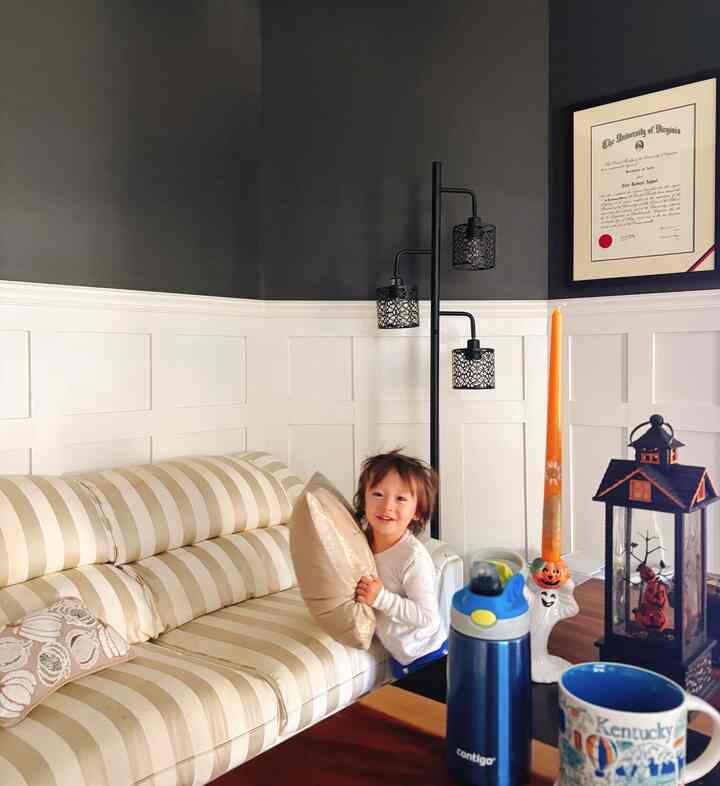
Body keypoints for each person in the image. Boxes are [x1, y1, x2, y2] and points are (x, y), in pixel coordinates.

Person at [353, 450, 447, 677]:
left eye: (401, 498)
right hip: (400, 657)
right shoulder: (362, 541)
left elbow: (427, 617)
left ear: (417, 512)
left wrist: (380, 598)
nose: (387, 506)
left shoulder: (412, 557)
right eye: (377, 494)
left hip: (429, 656)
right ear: (363, 499)